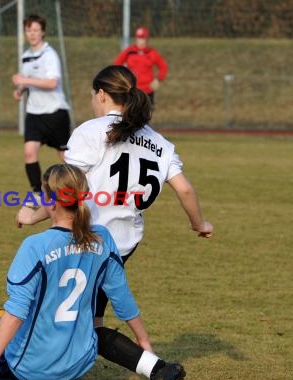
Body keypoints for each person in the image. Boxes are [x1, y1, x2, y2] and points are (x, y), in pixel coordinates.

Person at [0, 164, 186, 380]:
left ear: (50, 201)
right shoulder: (103, 238)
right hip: (79, 362)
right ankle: (154, 368)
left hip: (33, 367)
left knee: (2, 324)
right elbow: (122, 298)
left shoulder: (35, 246)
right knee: (87, 327)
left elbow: (15, 314)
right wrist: (144, 344)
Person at [17, 65, 213, 328]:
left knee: (50, 309)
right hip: (125, 243)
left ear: (101, 94)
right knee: (90, 317)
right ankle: (150, 362)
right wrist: (199, 224)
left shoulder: (91, 131)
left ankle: (152, 364)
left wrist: (32, 216)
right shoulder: (160, 142)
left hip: (88, 237)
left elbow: (67, 188)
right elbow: (185, 189)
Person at [12, 14, 71, 202]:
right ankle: (38, 194)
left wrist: (24, 80)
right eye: (29, 30)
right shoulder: (26, 56)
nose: (32, 34)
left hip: (55, 112)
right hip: (34, 114)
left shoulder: (49, 55)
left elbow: (52, 83)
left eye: (36, 30)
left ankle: (81, 189)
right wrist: (20, 90)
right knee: (29, 152)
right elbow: (29, 81)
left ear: (43, 32)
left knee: (66, 157)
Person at [114, 27, 168, 105]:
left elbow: (163, 66)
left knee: (145, 115)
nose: (141, 41)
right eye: (139, 38)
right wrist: (123, 80)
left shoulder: (151, 53)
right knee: (131, 114)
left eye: (143, 38)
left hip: (147, 91)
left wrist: (158, 79)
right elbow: (117, 65)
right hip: (132, 90)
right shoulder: (129, 51)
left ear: (146, 39)